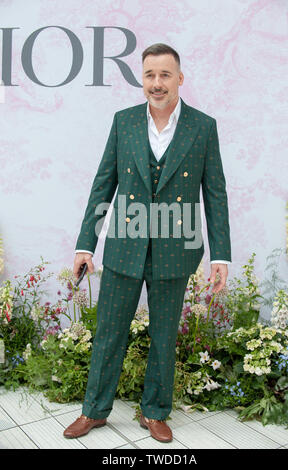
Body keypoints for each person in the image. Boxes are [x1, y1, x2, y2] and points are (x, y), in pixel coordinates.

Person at [63, 43, 231, 443]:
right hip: (125, 246)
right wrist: (86, 244)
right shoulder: (124, 122)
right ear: (143, 80)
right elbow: (104, 184)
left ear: (179, 79)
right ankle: (94, 411)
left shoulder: (203, 126)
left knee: (164, 335)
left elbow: (216, 193)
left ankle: (154, 411)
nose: (157, 83)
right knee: (109, 332)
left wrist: (220, 255)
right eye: (150, 75)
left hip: (177, 249)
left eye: (165, 75)